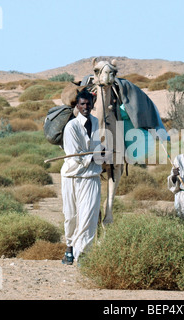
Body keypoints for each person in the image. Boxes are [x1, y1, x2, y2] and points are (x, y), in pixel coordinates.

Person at [60, 89, 103, 265]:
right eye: (82, 104)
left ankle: (84, 254)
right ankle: (69, 247)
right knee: (71, 216)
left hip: (92, 175)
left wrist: (101, 155)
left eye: (88, 104)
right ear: (77, 106)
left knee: (89, 216)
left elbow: (97, 147)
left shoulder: (95, 122)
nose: (86, 107)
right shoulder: (71, 127)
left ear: (93, 105)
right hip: (72, 176)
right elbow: (73, 155)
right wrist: (93, 156)